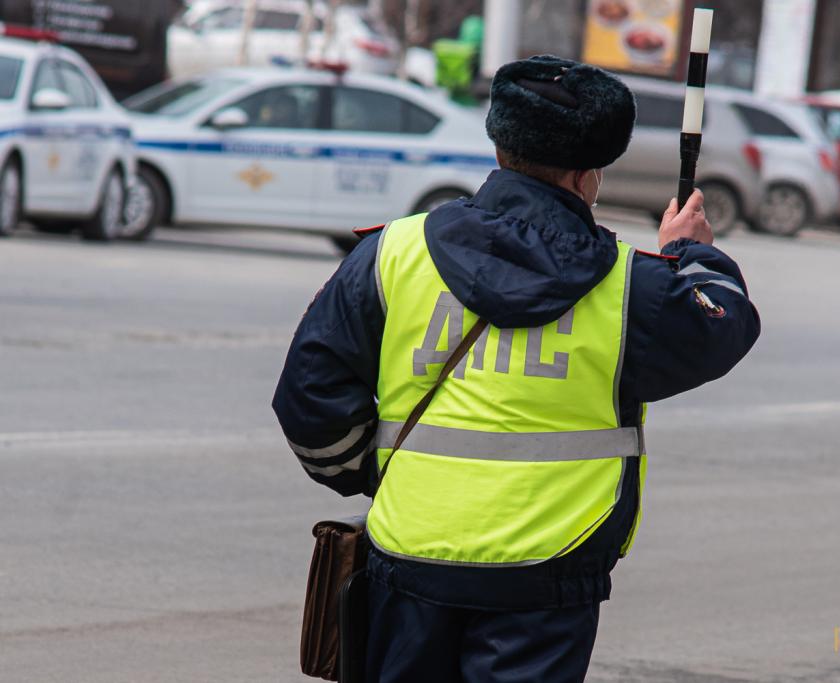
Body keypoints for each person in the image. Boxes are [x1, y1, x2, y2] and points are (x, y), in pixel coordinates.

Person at [273, 54, 760, 683]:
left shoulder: (392, 252)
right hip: (548, 578)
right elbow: (723, 323)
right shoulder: (629, 287)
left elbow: (309, 400)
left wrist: (381, 477)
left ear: (500, 147)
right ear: (591, 175)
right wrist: (688, 251)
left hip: (409, 560)